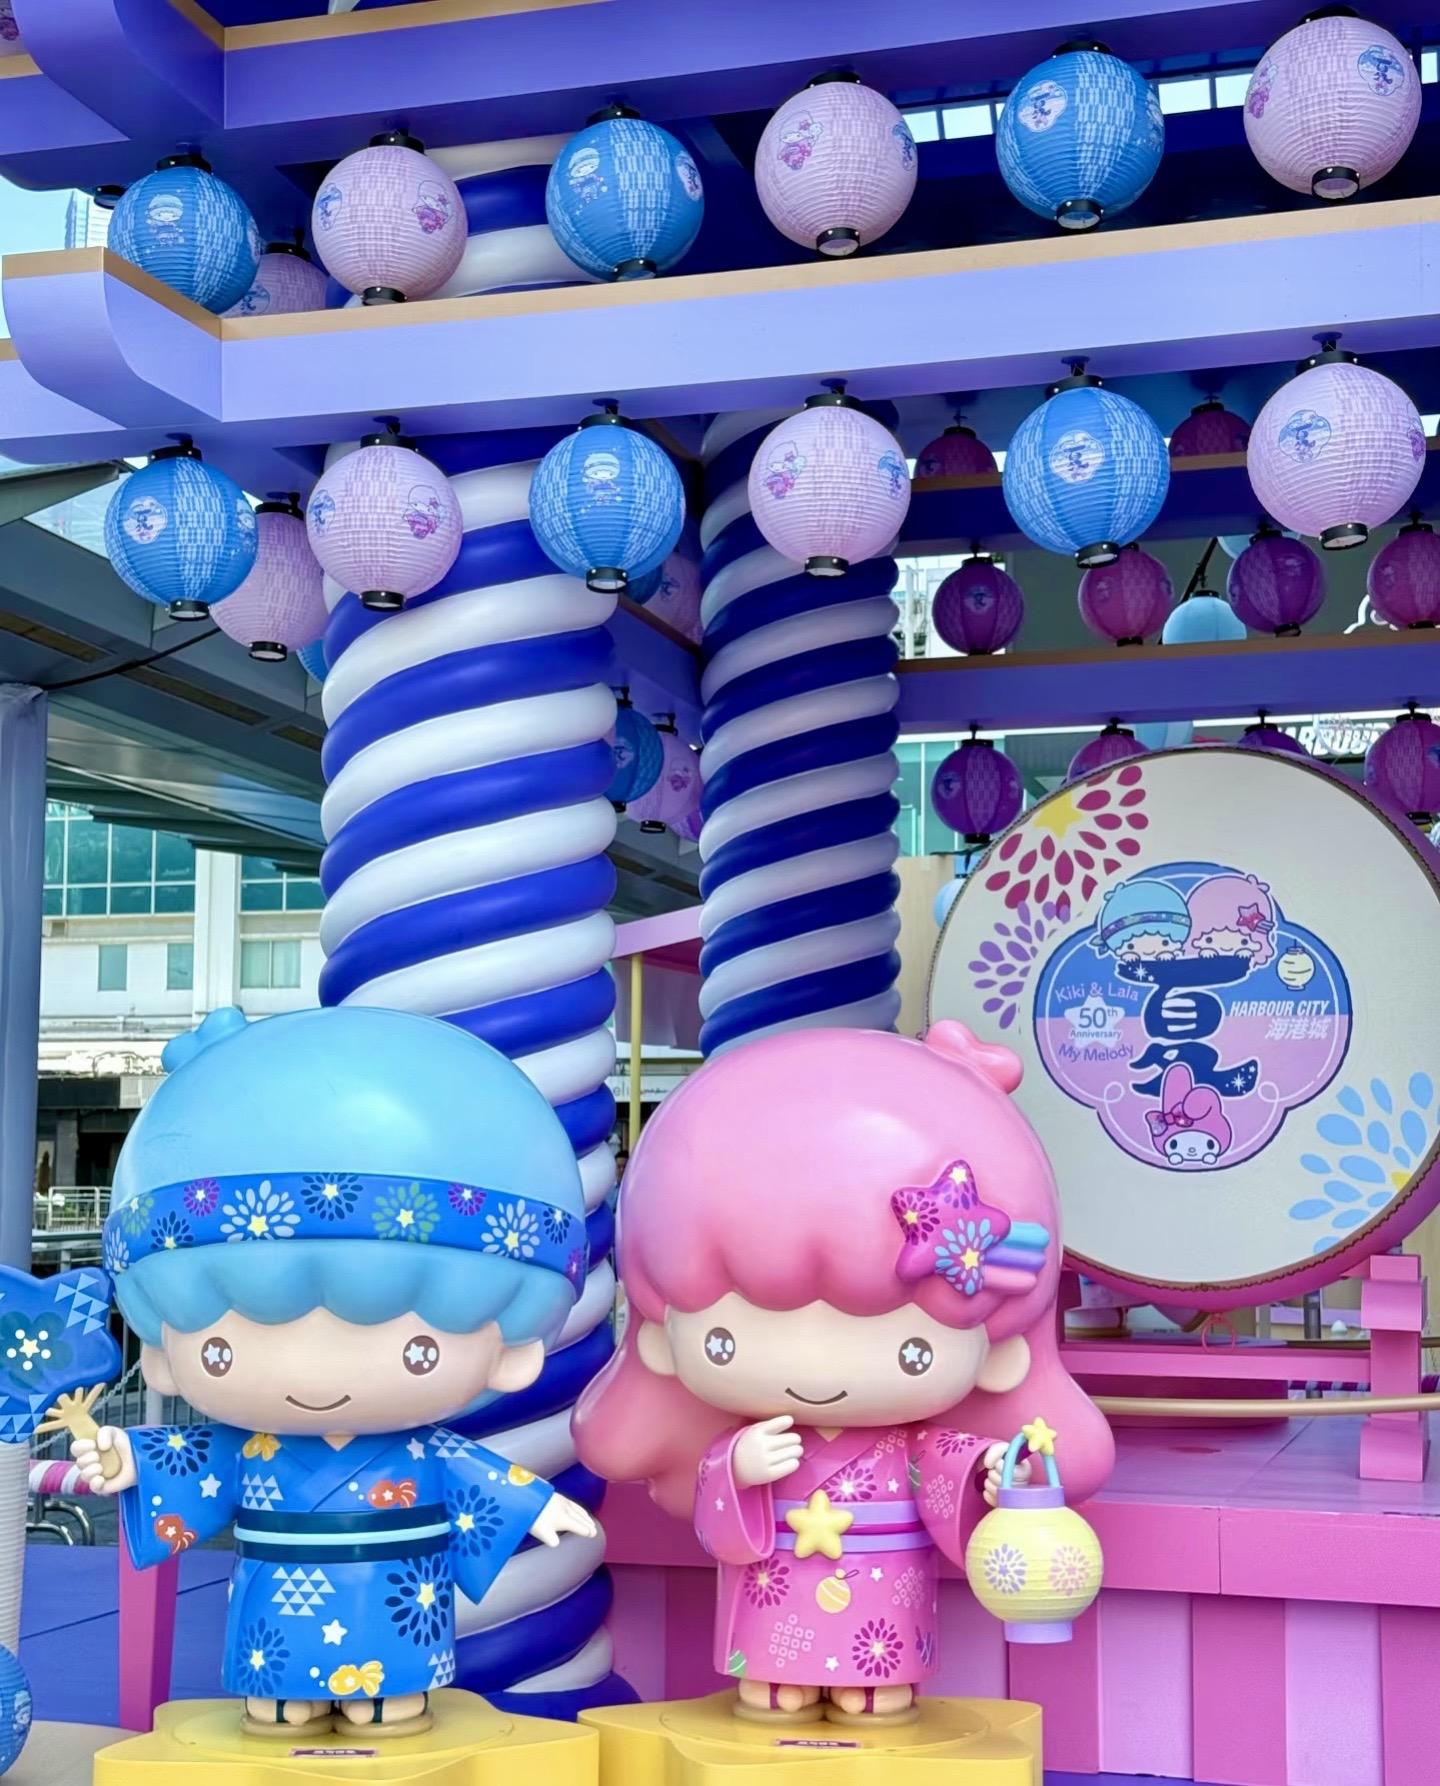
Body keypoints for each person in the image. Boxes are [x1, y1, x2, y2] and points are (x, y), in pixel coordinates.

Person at [72, 1005, 595, 1739]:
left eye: (418, 1349)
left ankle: (386, 1691)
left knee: (390, 1681)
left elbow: (477, 1482)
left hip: (395, 1598)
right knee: (280, 1679)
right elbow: (195, 1464)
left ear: (512, 1346)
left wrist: (534, 1506)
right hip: (276, 1606)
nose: (312, 1376)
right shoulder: (254, 1447)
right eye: (222, 1349)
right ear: (162, 1348)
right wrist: (127, 1457)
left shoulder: (422, 1451)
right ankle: (289, 1692)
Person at [575, 1021, 1111, 1726]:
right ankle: (777, 1675)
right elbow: (717, 1511)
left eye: (912, 1351)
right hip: (775, 1593)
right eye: (725, 1341)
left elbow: (944, 1468)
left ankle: (874, 1680)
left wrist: (984, 1470)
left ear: (998, 1346)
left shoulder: (910, 1444)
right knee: (774, 1666)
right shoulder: (754, 1438)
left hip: (882, 1608)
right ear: (661, 1337)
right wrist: (737, 1467)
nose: (816, 1371)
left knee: (876, 1670)